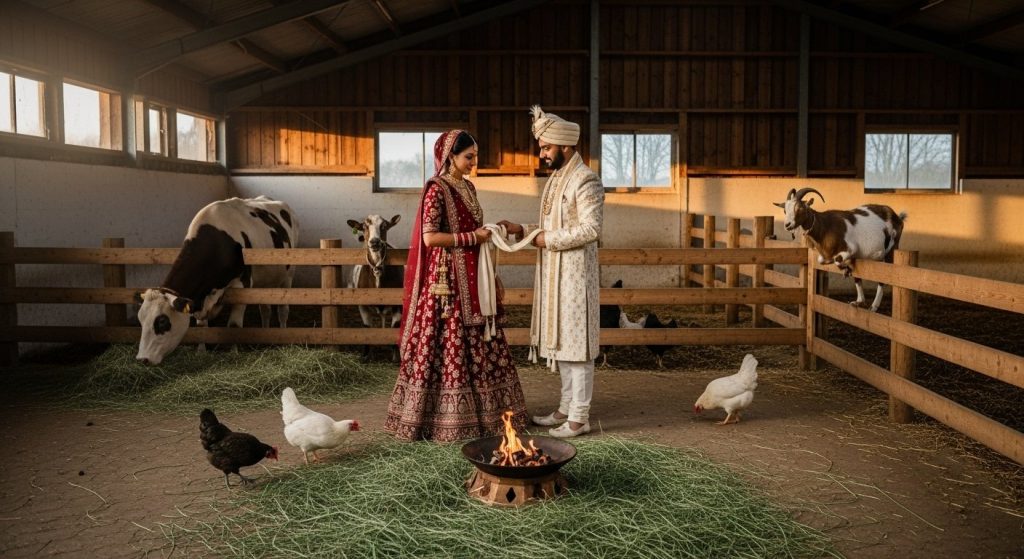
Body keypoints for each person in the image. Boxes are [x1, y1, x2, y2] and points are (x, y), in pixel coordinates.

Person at [384, 130, 529, 442]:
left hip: (474, 275)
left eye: (475, 156)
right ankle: (442, 419)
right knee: (448, 341)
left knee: (480, 343)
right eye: (469, 157)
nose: (474, 163)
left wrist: (489, 245)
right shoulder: (436, 190)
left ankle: (490, 416)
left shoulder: (469, 186)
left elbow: (475, 229)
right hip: (446, 282)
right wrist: (471, 239)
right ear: (450, 156)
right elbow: (430, 237)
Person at [499, 106, 605, 438]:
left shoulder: (585, 179)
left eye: (546, 148)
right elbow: (551, 226)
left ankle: (579, 418)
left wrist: (547, 239)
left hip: (575, 278)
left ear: (564, 145)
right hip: (554, 276)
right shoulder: (559, 179)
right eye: (542, 148)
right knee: (563, 345)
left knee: (578, 348)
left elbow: (591, 229)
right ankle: (564, 408)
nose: (542, 154)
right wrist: (523, 228)